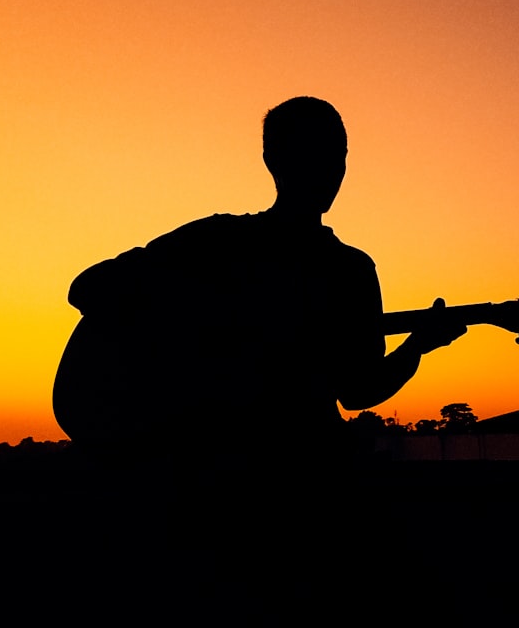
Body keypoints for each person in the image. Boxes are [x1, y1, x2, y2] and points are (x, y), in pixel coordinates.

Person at [53, 96, 466, 471]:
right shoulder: (214, 241)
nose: (328, 170)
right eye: (310, 155)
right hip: (205, 469)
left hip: (308, 468)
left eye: (336, 156)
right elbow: (88, 288)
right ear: (274, 160)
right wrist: (202, 327)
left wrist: (415, 346)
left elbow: (357, 390)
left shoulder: (351, 269)